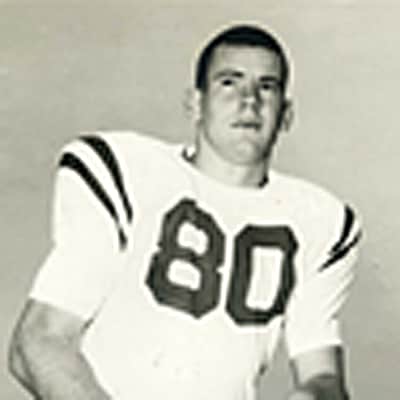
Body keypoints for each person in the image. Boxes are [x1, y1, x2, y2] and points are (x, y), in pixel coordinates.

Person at [8, 24, 362, 400]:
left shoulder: (321, 222)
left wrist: (314, 395)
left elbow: (323, 376)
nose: (249, 101)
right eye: (229, 83)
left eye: (267, 86)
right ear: (195, 103)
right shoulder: (125, 173)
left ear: (286, 114)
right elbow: (38, 341)